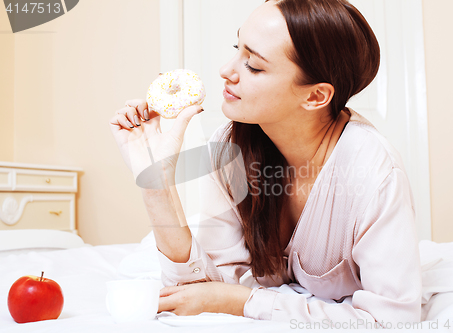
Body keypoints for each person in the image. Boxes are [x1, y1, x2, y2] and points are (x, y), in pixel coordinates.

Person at [109, 0, 422, 326]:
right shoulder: (230, 147)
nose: (226, 70)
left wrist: (248, 302)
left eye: (254, 66)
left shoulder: (374, 174)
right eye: (237, 47)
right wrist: (156, 185)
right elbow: (204, 292)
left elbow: (394, 321)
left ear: (315, 96)